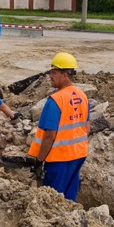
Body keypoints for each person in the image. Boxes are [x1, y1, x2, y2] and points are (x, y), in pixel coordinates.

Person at [27, 53, 90, 202]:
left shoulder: (55, 100)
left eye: (54, 72)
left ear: (65, 75)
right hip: (78, 155)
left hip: (59, 158)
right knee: (69, 197)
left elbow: (49, 136)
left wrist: (39, 160)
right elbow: (87, 128)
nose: (50, 76)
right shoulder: (82, 95)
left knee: (53, 201)